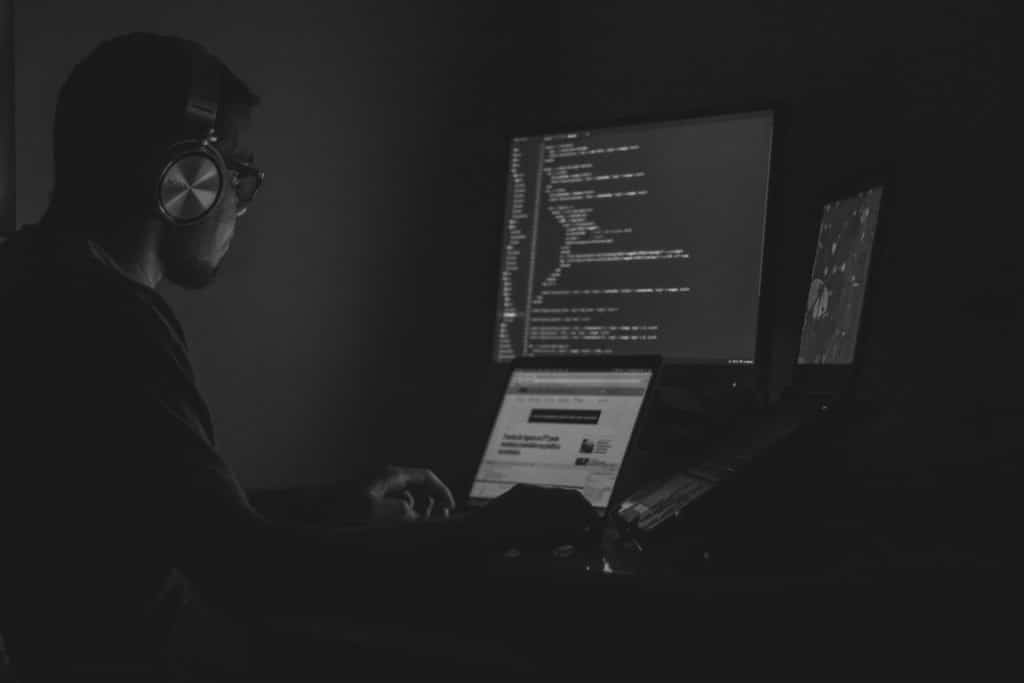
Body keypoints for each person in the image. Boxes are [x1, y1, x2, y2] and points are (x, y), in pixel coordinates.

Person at [0, 33, 594, 681]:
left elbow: (174, 520)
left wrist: (332, 505)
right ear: (185, 180)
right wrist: (487, 531)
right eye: (238, 173)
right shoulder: (110, 317)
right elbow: (252, 574)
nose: (239, 204)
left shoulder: (30, 275)